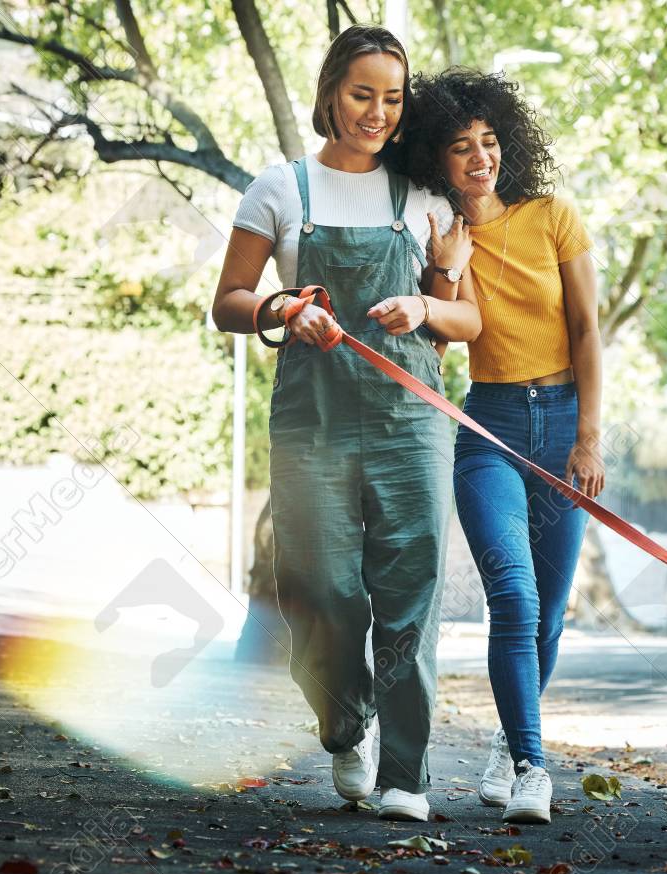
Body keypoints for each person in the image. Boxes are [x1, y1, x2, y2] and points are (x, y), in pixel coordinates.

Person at [210, 26, 480, 822]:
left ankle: (406, 773)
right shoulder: (280, 188)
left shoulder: (426, 193)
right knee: (319, 587)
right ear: (330, 91)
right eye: (363, 94)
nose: (377, 113)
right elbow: (227, 300)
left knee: (410, 595)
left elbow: (466, 318)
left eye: (392, 99)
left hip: (409, 422)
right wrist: (283, 306)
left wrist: (427, 303)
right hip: (312, 421)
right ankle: (344, 721)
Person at [404, 68, 604, 824]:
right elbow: (455, 335)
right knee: (513, 600)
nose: (479, 157)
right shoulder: (446, 234)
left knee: (548, 615)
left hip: (563, 425)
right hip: (489, 427)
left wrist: (588, 437)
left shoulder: (554, 214)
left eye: (489, 141)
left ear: (506, 146)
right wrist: (445, 268)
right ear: (439, 160)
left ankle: (506, 744)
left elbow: (587, 329)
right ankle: (532, 766)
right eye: (461, 147)